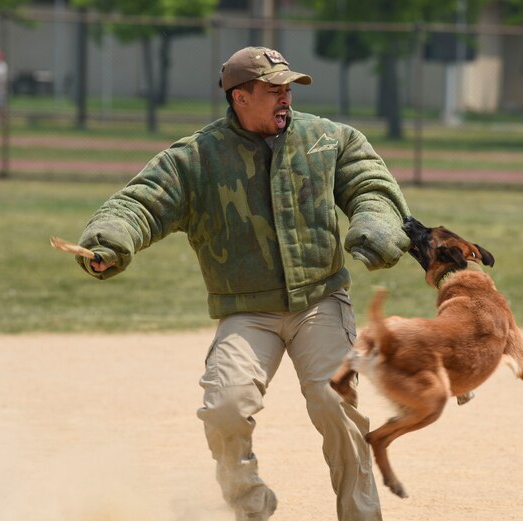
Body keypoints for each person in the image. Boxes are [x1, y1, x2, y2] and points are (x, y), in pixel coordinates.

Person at [74, 46, 411, 521]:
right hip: (248, 310)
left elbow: (370, 185)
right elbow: (141, 203)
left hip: (320, 301)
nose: (285, 98)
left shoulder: (327, 139)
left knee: (335, 404)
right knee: (225, 407)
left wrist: (375, 222)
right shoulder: (195, 158)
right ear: (240, 97)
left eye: (288, 88)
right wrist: (109, 241)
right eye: (273, 89)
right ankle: (249, 503)